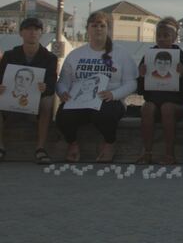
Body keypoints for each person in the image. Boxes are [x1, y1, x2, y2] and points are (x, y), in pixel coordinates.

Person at [55, 11, 137, 163]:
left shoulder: (121, 53)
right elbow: (63, 81)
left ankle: (109, 143)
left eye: (102, 25)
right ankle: (72, 144)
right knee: (63, 115)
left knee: (103, 114)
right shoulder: (75, 55)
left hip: (109, 100)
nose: (98, 29)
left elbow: (132, 83)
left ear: (108, 29)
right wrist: (63, 92)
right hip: (79, 100)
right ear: (88, 29)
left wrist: (114, 94)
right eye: (94, 25)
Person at [0, 17, 58, 164]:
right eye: (28, 29)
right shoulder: (9, 55)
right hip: (11, 103)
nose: (33, 32)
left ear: (41, 33)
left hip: (37, 103)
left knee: (47, 101)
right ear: (21, 33)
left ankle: (40, 148)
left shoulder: (50, 58)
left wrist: (45, 87)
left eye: (36, 29)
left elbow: (52, 84)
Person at [135, 17, 183, 166]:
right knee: (147, 107)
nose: (161, 39)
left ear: (174, 37)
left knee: (167, 107)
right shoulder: (148, 56)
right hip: (153, 103)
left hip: (175, 105)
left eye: (166, 36)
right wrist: (141, 76)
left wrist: (181, 77)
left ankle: (169, 153)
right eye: (158, 35)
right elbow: (140, 91)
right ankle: (147, 152)